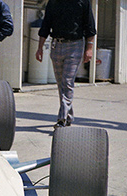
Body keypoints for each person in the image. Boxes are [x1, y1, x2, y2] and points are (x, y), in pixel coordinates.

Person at [35, 0, 96, 129]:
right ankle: (68, 116)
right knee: (61, 84)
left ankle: (61, 119)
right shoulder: (53, 2)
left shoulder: (83, 2)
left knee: (67, 82)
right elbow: (46, 25)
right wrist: (40, 47)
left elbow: (90, 26)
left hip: (75, 45)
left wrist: (89, 48)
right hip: (56, 45)